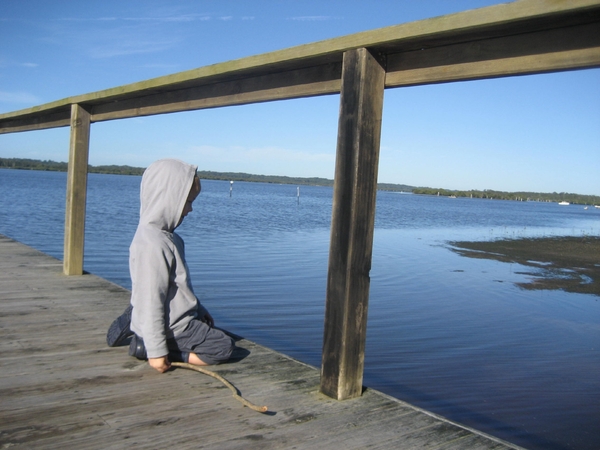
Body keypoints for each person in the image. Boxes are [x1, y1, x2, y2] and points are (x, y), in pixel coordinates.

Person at [107, 158, 234, 373]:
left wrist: (199, 308)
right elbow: (152, 297)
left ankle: (138, 319)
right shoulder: (153, 244)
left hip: (171, 315)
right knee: (222, 346)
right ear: (169, 199)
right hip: (173, 327)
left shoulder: (166, 238)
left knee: (150, 306)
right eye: (188, 202)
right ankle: (148, 346)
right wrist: (157, 352)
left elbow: (179, 286)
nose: (191, 210)